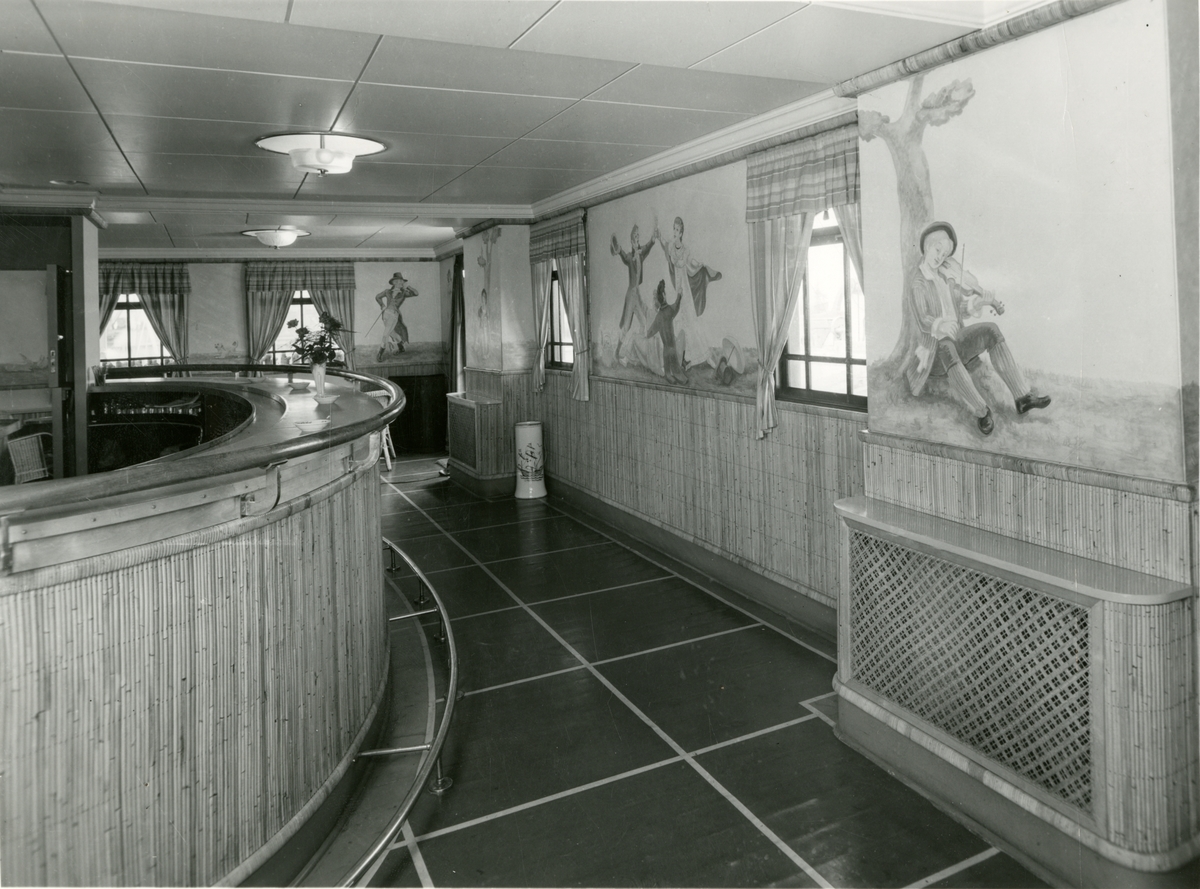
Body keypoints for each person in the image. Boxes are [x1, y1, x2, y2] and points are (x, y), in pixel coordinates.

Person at [903, 221, 1050, 435]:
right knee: (946, 347)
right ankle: (982, 411)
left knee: (991, 330)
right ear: (926, 246)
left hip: (956, 341)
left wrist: (978, 303)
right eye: (937, 250)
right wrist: (940, 325)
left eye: (944, 254)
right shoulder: (919, 281)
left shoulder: (946, 278)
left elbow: (959, 310)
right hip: (933, 353)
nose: (940, 257)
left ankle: (1022, 397)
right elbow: (922, 318)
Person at [653, 216, 722, 371]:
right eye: (674, 228)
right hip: (674, 292)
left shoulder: (685, 250)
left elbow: (690, 263)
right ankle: (675, 360)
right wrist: (658, 233)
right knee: (674, 325)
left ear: (681, 232)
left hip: (684, 292)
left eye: (677, 230)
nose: (675, 232)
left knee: (691, 322)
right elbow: (664, 242)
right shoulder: (671, 247)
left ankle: (705, 357)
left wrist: (700, 265)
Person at [611, 225, 655, 365]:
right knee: (626, 327)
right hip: (631, 295)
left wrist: (653, 239)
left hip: (637, 294)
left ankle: (640, 354)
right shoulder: (630, 257)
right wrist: (618, 249)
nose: (637, 239)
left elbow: (648, 246)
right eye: (635, 237)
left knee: (644, 323)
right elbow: (624, 256)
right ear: (631, 241)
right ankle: (616, 352)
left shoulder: (640, 255)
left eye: (638, 236)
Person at [645, 279, 687, 385]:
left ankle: (669, 375)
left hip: (666, 350)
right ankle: (674, 375)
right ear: (664, 295)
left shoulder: (659, 317)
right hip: (672, 347)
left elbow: (650, 332)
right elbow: (676, 305)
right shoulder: (670, 311)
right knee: (676, 369)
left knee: (668, 370)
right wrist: (679, 294)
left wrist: (647, 332)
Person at [375, 272, 417, 362]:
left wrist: (408, 286)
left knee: (386, 334)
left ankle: (380, 353)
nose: (401, 283)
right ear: (394, 282)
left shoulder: (404, 293)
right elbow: (377, 297)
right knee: (391, 333)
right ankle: (401, 347)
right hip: (385, 314)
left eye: (402, 281)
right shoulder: (387, 291)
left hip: (394, 315)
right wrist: (382, 305)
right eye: (398, 281)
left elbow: (416, 293)